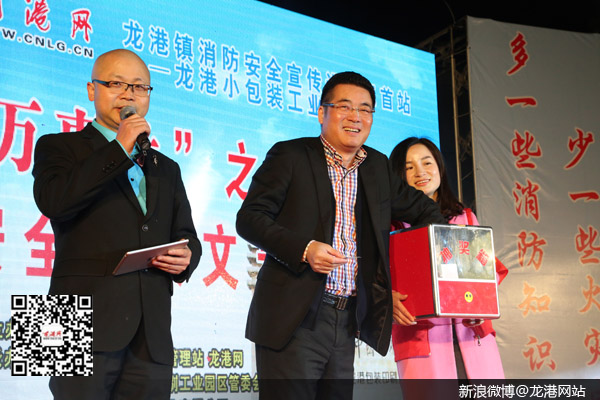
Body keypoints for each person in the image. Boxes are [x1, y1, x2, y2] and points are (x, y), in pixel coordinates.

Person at [235, 72, 446, 399]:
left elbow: (427, 212)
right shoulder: (290, 156)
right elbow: (250, 218)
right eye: (344, 106)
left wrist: (404, 283)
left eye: (365, 109)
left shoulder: (376, 167)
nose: (355, 117)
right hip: (295, 319)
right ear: (322, 112)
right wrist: (305, 249)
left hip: (348, 321)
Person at [32, 49, 201, 399]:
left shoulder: (166, 167)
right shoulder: (56, 145)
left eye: (139, 87)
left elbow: (186, 236)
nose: (128, 95)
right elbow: (54, 203)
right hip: (73, 318)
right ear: (92, 90)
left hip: (151, 331)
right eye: (116, 84)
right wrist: (119, 148)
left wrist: (188, 259)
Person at [389, 137, 508, 381]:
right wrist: (386, 299)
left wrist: (481, 298)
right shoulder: (391, 226)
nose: (420, 172)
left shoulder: (465, 217)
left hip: (472, 332)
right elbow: (374, 279)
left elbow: (490, 271)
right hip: (420, 338)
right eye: (409, 167)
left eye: (427, 163)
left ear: (440, 168)